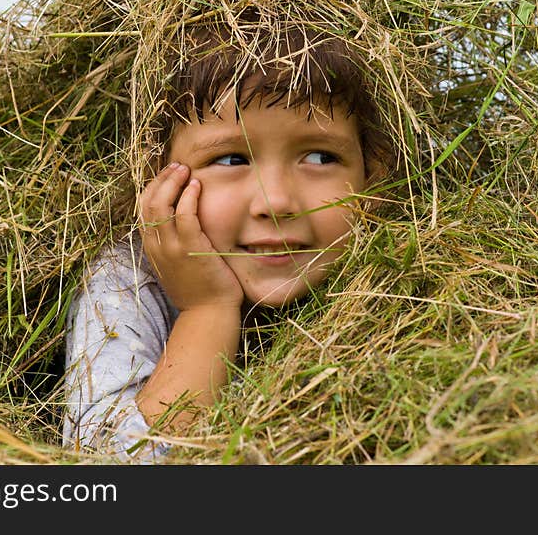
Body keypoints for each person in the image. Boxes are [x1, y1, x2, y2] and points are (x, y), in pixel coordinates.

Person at [62, 26, 394, 461]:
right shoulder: (127, 281)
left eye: (319, 157)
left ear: (374, 176)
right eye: (232, 159)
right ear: (157, 178)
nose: (276, 202)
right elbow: (108, 467)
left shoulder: (401, 275)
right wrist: (206, 310)